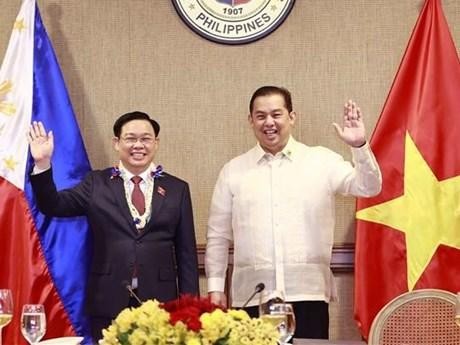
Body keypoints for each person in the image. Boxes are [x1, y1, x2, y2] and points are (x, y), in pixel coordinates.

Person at [205, 86, 382, 339]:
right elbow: (218, 236)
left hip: (307, 295)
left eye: (276, 114)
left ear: (292, 116)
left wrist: (359, 147)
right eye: (261, 116)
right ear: (250, 120)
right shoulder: (233, 170)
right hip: (251, 297)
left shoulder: (321, 161)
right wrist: (215, 288)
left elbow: (369, 188)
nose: (269, 122)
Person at [28, 111, 199, 343]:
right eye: (130, 138)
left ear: (156, 143)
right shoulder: (95, 183)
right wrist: (42, 163)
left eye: (146, 139)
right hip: (108, 298)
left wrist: (191, 308)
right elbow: (53, 205)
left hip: (162, 301)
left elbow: (186, 254)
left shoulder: (177, 189)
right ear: (116, 143)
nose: (138, 145)